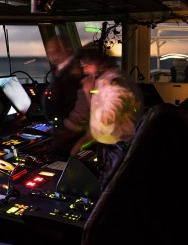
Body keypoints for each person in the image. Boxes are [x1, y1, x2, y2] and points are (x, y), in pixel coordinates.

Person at [73, 48, 142, 185]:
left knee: (110, 189)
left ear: (97, 63)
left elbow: (106, 118)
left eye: (86, 66)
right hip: (110, 149)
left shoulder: (115, 84)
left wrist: (88, 93)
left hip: (118, 152)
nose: (84, 71)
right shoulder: (104, 81)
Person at [43, 36, 86, 155]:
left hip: (70, 136)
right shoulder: (64, 71)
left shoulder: (73, 72)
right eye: (49, 51)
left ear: (67, 49)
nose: (51, 54)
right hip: (63, 129)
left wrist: (64, 132)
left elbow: (75, 104)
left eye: (55, 50)